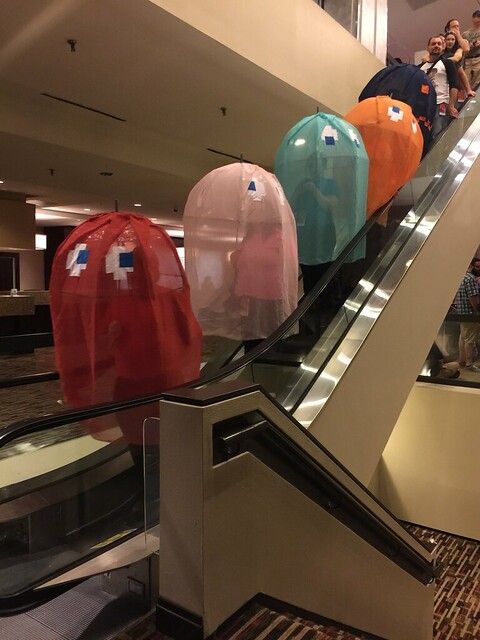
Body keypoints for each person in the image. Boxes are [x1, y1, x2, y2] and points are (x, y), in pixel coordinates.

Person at [420, 35, 460, 138]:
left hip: (440, 104)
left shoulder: (448, 63)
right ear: (428, 48)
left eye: (439, 44)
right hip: (424, 106)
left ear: (443, 47)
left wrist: (451, 106)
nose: (436, 46)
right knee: (423, 136)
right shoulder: (420, 67)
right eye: (433, 44)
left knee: (437, 135)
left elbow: (454, 84)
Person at [455, 258, 480, 372]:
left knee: (463, 337)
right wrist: (477, 310)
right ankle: (469, 363)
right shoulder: (470, 279)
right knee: (470, 339)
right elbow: (473, 298)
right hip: (470, 313)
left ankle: (462, 360)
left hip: (461, 312)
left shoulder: (462, 277)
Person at [444, 29, 475, 99]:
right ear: (444, 41)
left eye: (452, 39)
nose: (450, 41)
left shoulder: (457, 52)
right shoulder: (440, 53)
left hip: (453, 86)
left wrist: (469, 90)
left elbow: (461, 73)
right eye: (448, 39)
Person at [462, 10, 480, 91]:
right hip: (468, 60)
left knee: (477, 83)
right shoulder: (465, 34)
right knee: (467, 83)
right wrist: (472, 45)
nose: (478, 19)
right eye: (476, 17)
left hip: (479, 58)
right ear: (473, 18)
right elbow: (461, 47)